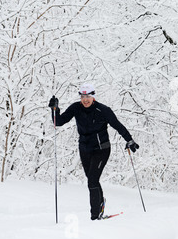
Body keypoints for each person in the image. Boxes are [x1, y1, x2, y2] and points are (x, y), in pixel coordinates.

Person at [48, 83, 139, 220]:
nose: (85, 100)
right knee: (92, 180)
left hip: (101, 149)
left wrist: (129, 140)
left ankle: (95, 216)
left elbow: (118, 125)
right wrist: (55, 109)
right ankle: (100, 203)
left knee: (92, 180)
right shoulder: (75, 108)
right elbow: (58, 122)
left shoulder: (103, 110)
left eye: (88, 96)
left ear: (93, 96)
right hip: (84, 149)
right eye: (83, 96)